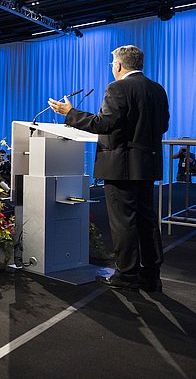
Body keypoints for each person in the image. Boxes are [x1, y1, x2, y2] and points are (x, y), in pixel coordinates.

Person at [49, 45, 169, 291]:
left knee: (124, 221)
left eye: (112, 64)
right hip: (147, 164)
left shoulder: (117, 88)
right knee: (147, 220)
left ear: (118, 65)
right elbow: (163, 125)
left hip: (121, 165)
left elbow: (104, 124)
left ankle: (126, 275)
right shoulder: (157, 89)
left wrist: (70, 113)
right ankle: (151, 274)